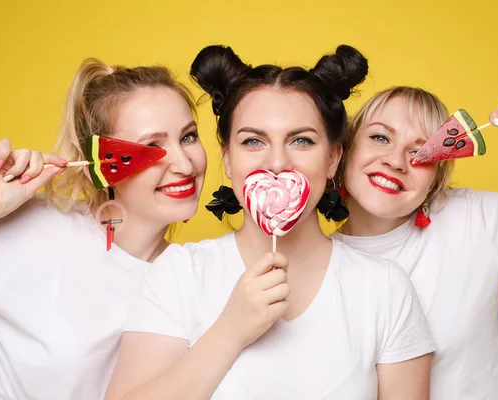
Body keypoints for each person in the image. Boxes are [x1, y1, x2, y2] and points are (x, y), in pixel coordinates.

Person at [105, 45, 435, 400]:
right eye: (253, 141)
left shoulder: (384, 287)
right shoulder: (180, 273)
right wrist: (229, 332)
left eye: (302, 141)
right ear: (227, 159)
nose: (277, 162)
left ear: (332, 159)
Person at [0, 58, 207, 400]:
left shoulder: (198, 277)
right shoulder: (29, 230)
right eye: (153, 147)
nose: (185, 164)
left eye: (188, 137)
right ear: (97, 166)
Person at [332, 86, 498, 399]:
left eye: (421, 150)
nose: (395, 161)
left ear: (437, 176)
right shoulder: (314, 266)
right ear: (346, 149)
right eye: (380, 137)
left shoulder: (473, 221)